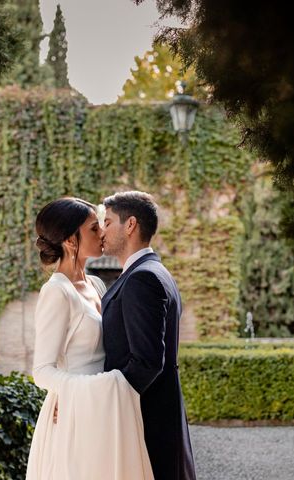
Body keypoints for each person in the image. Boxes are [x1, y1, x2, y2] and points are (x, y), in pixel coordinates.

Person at [25, 197, 153, 480]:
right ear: (71, 240)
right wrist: (77, 392)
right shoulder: (57, 292)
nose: (103, 233)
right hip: (75, 416)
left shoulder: (96, 284)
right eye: (94, 228)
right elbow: (42, 371)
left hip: (105, 410)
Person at [101, 191, 197, 480]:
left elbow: (147, 362)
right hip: (159, 414)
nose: (101, 231)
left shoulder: (142, 278)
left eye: (106, 222)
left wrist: (102, 401)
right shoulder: (156, 271)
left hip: (145, 419)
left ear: (129, 225)